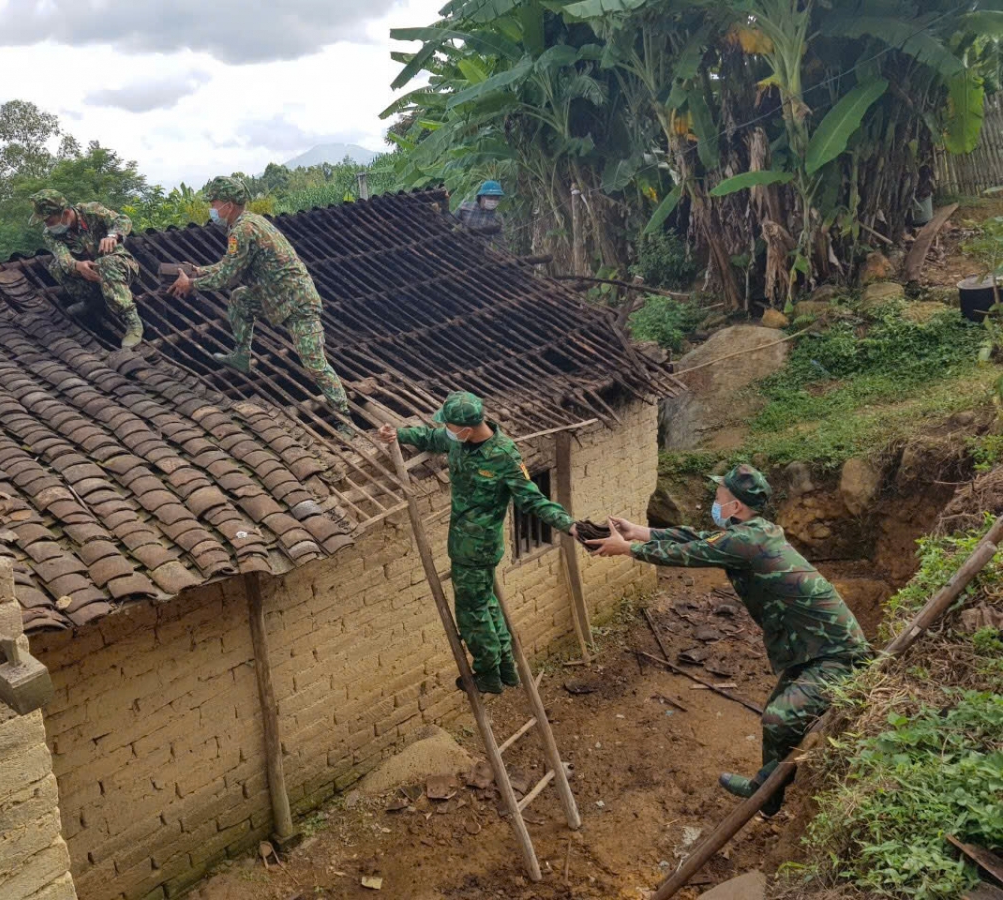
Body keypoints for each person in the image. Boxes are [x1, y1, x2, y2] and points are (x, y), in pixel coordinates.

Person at [587, 464, 871, 816]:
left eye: (720, 496)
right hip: (812, 647)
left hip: (837, 654)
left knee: (779, 719)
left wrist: (627, 549)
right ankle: (766, 792)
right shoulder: (756, 531)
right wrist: (641, 532)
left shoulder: (746, 541)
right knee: (775, 713)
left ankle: (772, 793)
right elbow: (700, 538)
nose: (715, 501)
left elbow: (690, 554)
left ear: (735, 506)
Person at [378, 391, 579, 695]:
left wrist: (569, 525)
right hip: (461, 543)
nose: (446, 430)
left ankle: (486, 673)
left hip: (479, 548)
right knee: (487, 603)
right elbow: (432, 438)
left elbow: (533, 500)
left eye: (450, 426)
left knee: (471, 613)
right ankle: (505, 668)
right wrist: (398, 434)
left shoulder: (504, 455)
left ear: (467, 428)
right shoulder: (459, 441)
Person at [170, 176, 351, 429]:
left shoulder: (243, 230)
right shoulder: (249, 222)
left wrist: (191, 284)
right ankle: (242, 355)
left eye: (214, 202)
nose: (212, 208)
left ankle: (345, 418)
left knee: (314, 362)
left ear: (229, 205)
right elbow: (229, 264)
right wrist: (198, 271)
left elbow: (227, 276)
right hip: (274, 297)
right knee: (241, 299)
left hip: (297, 301)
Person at [29, 189, 144, 349]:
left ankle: (132, 320)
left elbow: (123, 220)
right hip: (91, 275)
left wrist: (113, 235)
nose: (47, 225)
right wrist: (78, 266)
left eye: (49, 220)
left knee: (105, 262)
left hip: (120, 268)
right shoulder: (50, 234)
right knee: (56, 267)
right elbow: (63, 257)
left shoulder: (91, 210)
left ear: (66, 213)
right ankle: (93, 301)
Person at [455, 181, 505, 246]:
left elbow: (500, 240)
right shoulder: (465, 207)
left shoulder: (497, 217)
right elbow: (451, 222)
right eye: (490, 198)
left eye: (496, 198)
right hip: (460, 246)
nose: (493, 201)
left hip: (480, 251)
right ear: (482, 196)